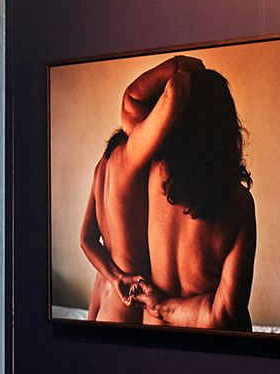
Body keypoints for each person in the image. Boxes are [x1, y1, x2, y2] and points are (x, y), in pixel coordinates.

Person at [132, 65, 256, 331]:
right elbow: (223, 315)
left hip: (154, 340)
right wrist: (163, 306)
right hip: (215, 351)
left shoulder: (151, 169)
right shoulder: (238, 202)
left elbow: (133, 99)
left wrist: (181, 65)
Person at [81, 55, 198, 322]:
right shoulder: (133, 154)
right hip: (125, 310)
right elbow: (174, 95)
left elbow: (86, 239)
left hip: (101, 298)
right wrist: (189, 68)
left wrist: (116, 276)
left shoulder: (104, 162)